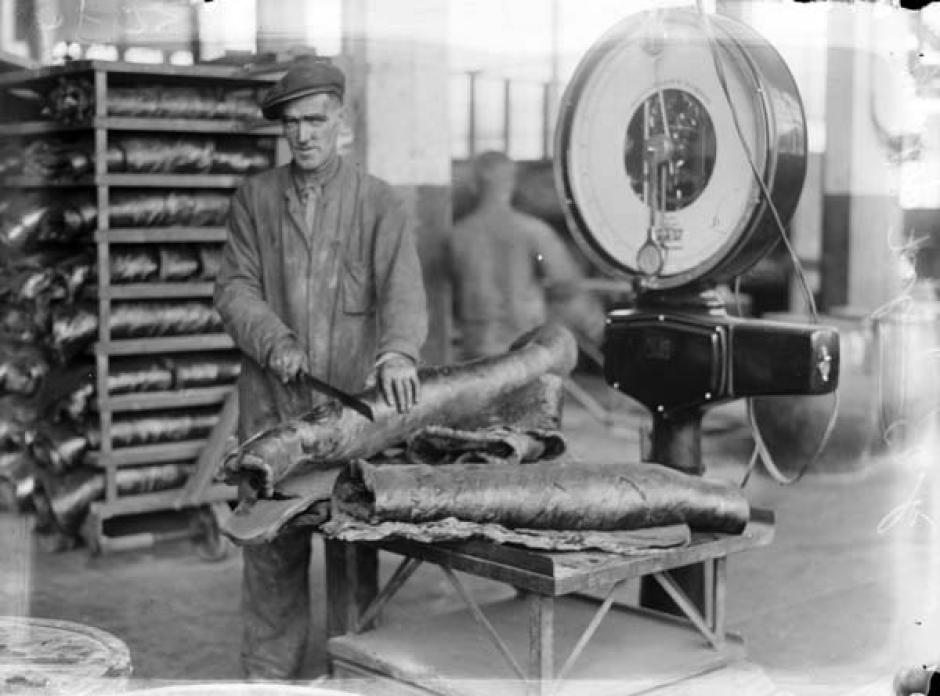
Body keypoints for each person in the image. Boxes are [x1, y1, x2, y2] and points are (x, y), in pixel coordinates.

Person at [214, 57, 428, 680]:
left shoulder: (380, 202)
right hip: (272, 420)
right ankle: (267, 682)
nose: (304, 134)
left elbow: (404, 292)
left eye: (316, 119)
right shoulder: (254, 200)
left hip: (350, 424)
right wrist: (271, 336)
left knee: (352, 561)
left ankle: (353, 678)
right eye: (292, 124)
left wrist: (397, 352)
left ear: (342, 119)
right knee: (272, 561)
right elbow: (234, 290)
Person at [447, 150, 603, 360]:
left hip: (476, 348)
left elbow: (443, 296)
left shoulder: (457, 237)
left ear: (473, 186)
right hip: (523, 349)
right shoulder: (533, 231)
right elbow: (566, 284)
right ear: (511, 183)